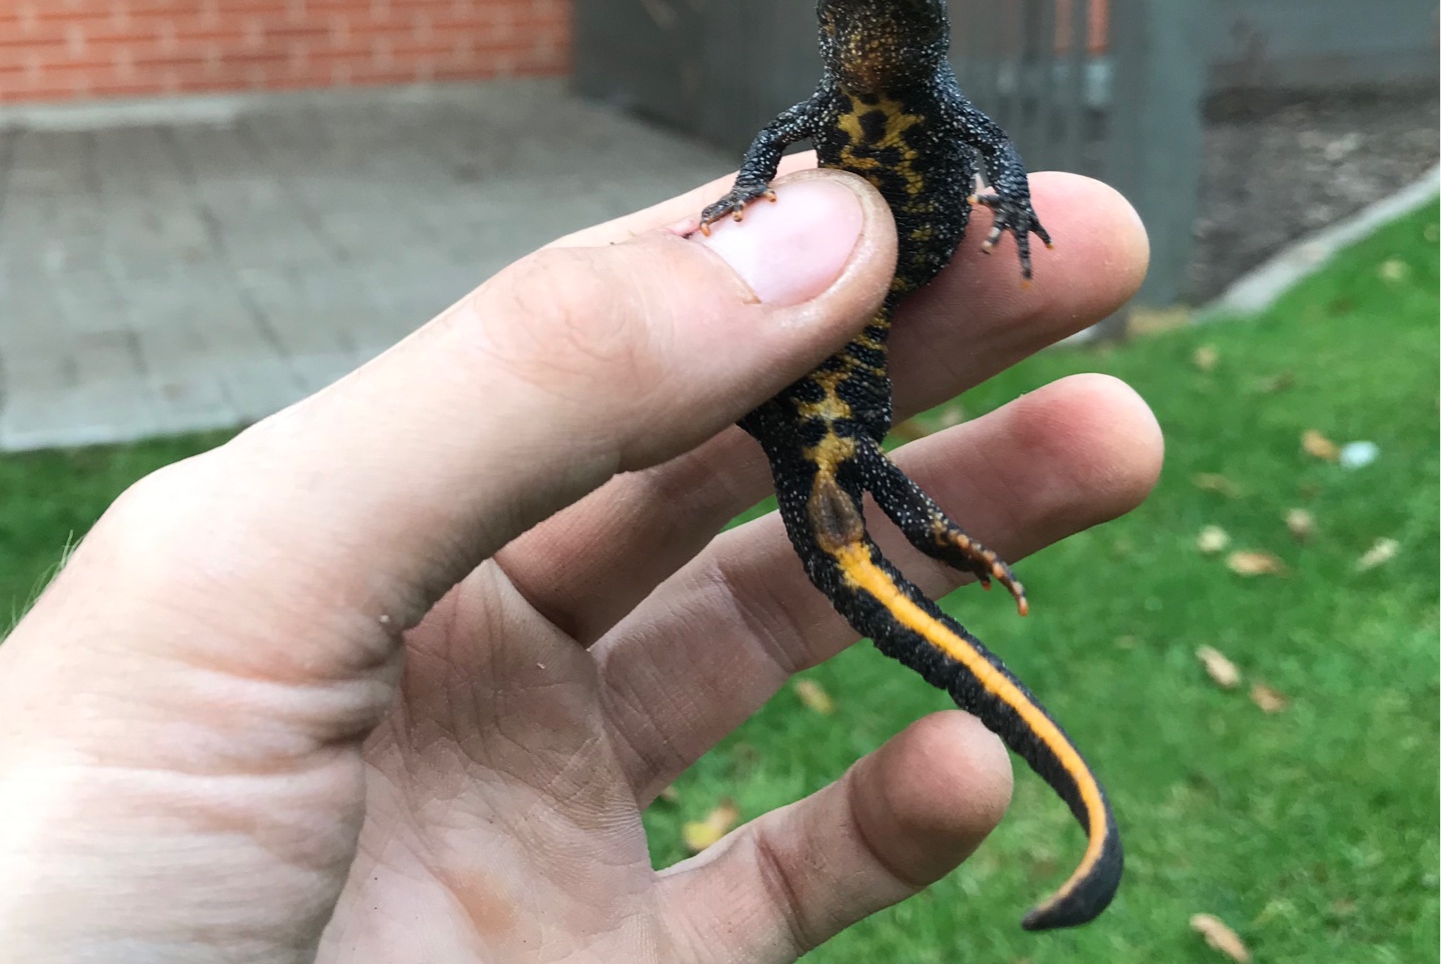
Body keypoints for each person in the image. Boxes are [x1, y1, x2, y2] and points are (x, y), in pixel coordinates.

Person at [0, 160, 1160, 962]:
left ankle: (958, 566)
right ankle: (954, 564)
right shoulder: (838, 119)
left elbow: (968, 160)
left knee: (870, 497)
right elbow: (780, 153)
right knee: (854, 506)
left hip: (827, 416)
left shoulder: (931, 121)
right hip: (807, 415)